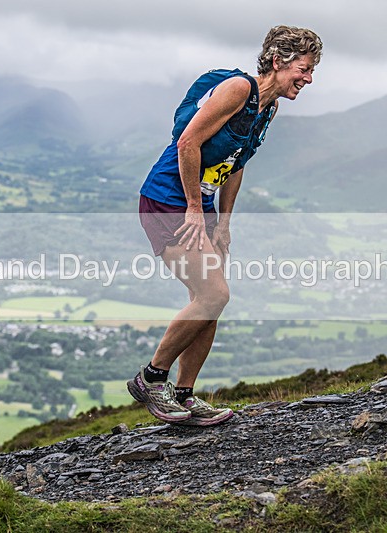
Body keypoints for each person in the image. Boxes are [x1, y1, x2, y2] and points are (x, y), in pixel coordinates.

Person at [129, 26, 323, 425]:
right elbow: (187, 144)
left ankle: (183, 396)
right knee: (214, 294)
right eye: (303, 69)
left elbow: (237, 164)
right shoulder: (238, 89)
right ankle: (151, 379)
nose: (308, 79)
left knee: (209, 303)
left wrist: (223, 223)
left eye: (311, 71)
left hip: (201, 205)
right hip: (169, 200)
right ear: (277, 62)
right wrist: (195, 210)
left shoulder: (268, 107)